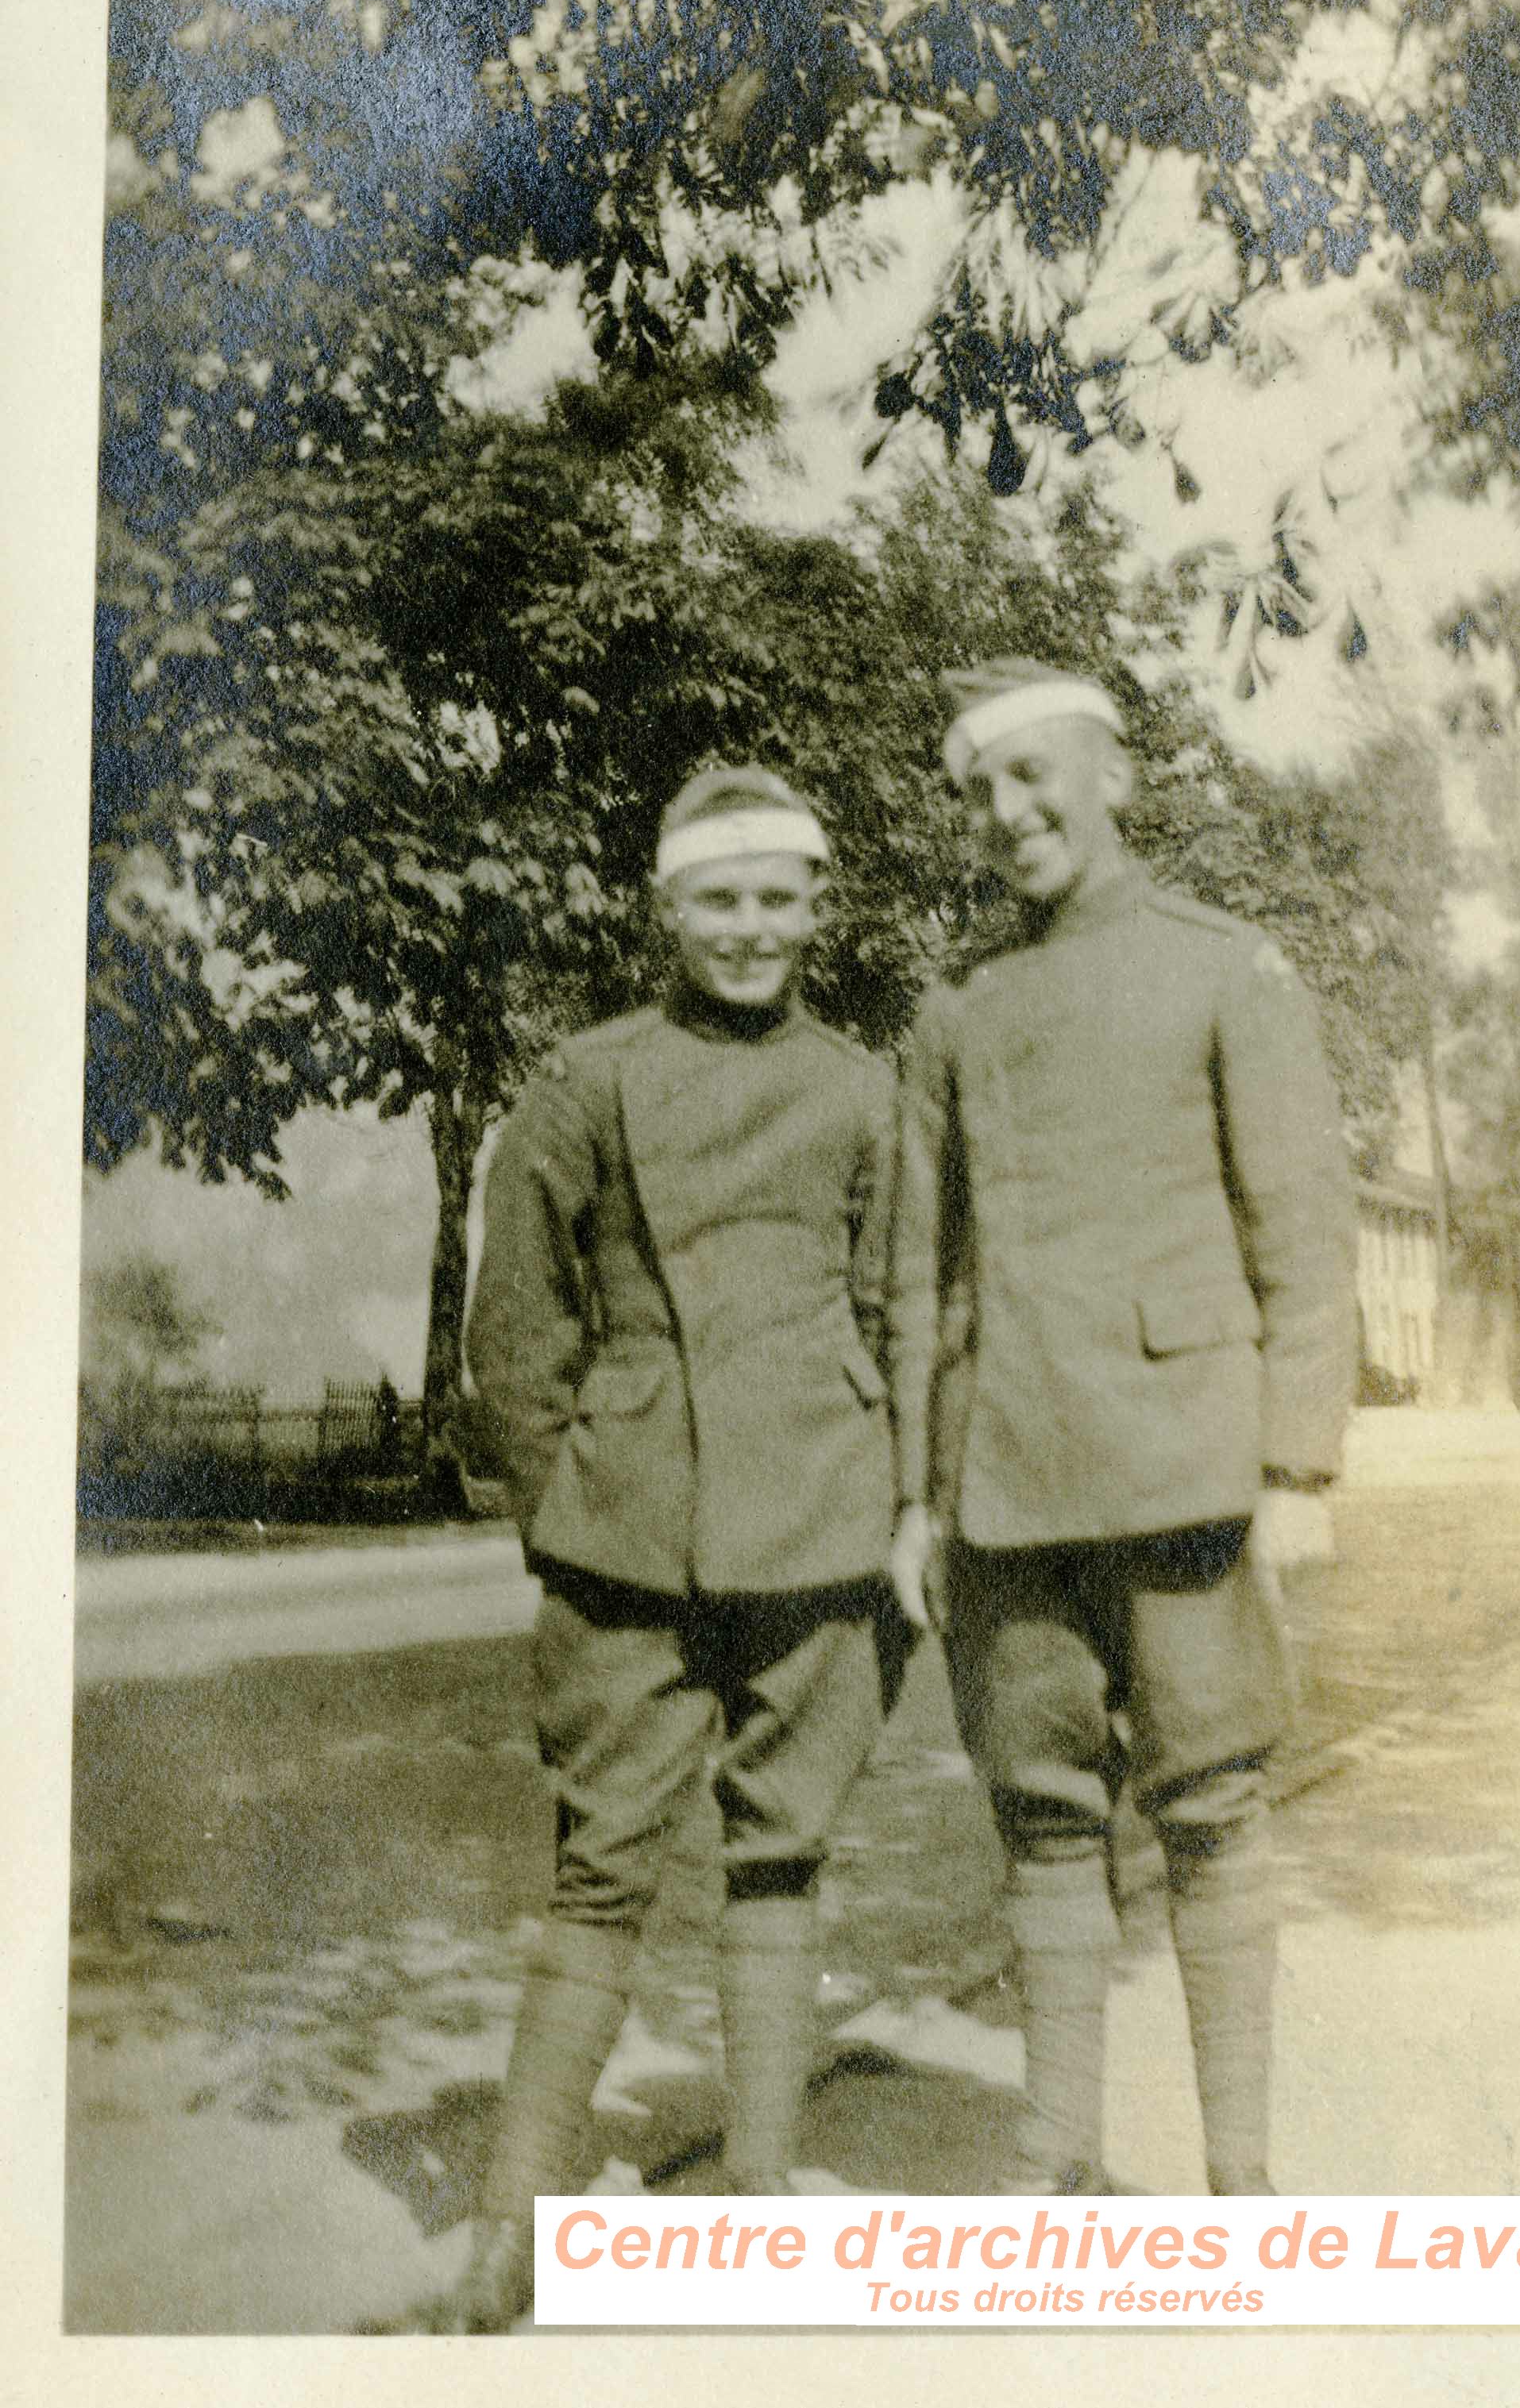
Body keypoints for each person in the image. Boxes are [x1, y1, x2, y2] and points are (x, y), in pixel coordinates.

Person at [888, 657, 1357, 2198]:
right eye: (985, 794)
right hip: (1007, 1479)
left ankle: (1241, 2182)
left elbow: (1300, 1227)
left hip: (1185, 1470)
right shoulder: (958, 1008)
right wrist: (914, 1497)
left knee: (1215, 1809)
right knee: (1040, 1820)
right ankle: (1055, 2163)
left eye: (1037, 779)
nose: (1011, 816)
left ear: (1113, 779)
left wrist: (1296, 1465)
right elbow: (919, 1269)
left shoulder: (1225, 968)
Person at [445, 765, 900, 2330]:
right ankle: (507, 2232)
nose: (751, 930)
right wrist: (564, 1505)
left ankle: (761, 2191)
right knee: (601, 1871)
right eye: (721, 899)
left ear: (817, 912)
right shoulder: (583, 1082)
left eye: (781, 899)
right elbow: (520, 1329)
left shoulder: (862, 1088)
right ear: (667, 911)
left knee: (782, 1849)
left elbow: (897, 1304)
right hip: (625, 1536)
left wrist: (897, 1509)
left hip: (822, 1526)